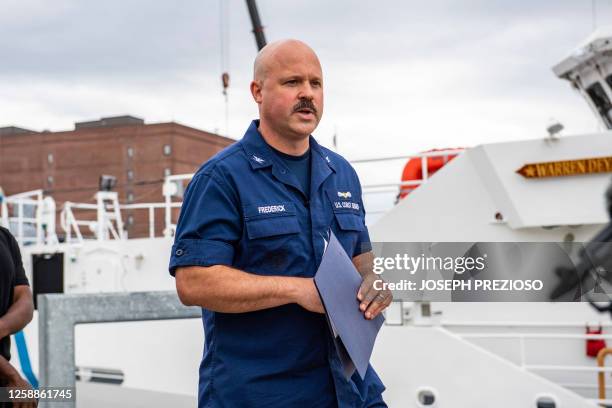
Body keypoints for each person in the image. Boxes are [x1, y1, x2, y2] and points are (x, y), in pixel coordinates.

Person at [169, 39, 392, 407]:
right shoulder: (222, 178)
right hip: (263, 393)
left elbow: (361, 262)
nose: (307, 94)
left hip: (351, 390)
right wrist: (296, 290)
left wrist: (373, 283)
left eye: (315, 84)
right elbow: (193, 282)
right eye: (292, 83)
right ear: (257, 91)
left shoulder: (341, 173)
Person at [0, 226, 36, 408]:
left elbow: (25, 301)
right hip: (6, 376)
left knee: (62, 393)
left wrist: (2, 327)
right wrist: (13, 376)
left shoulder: (4, 237)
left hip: (3, 387)